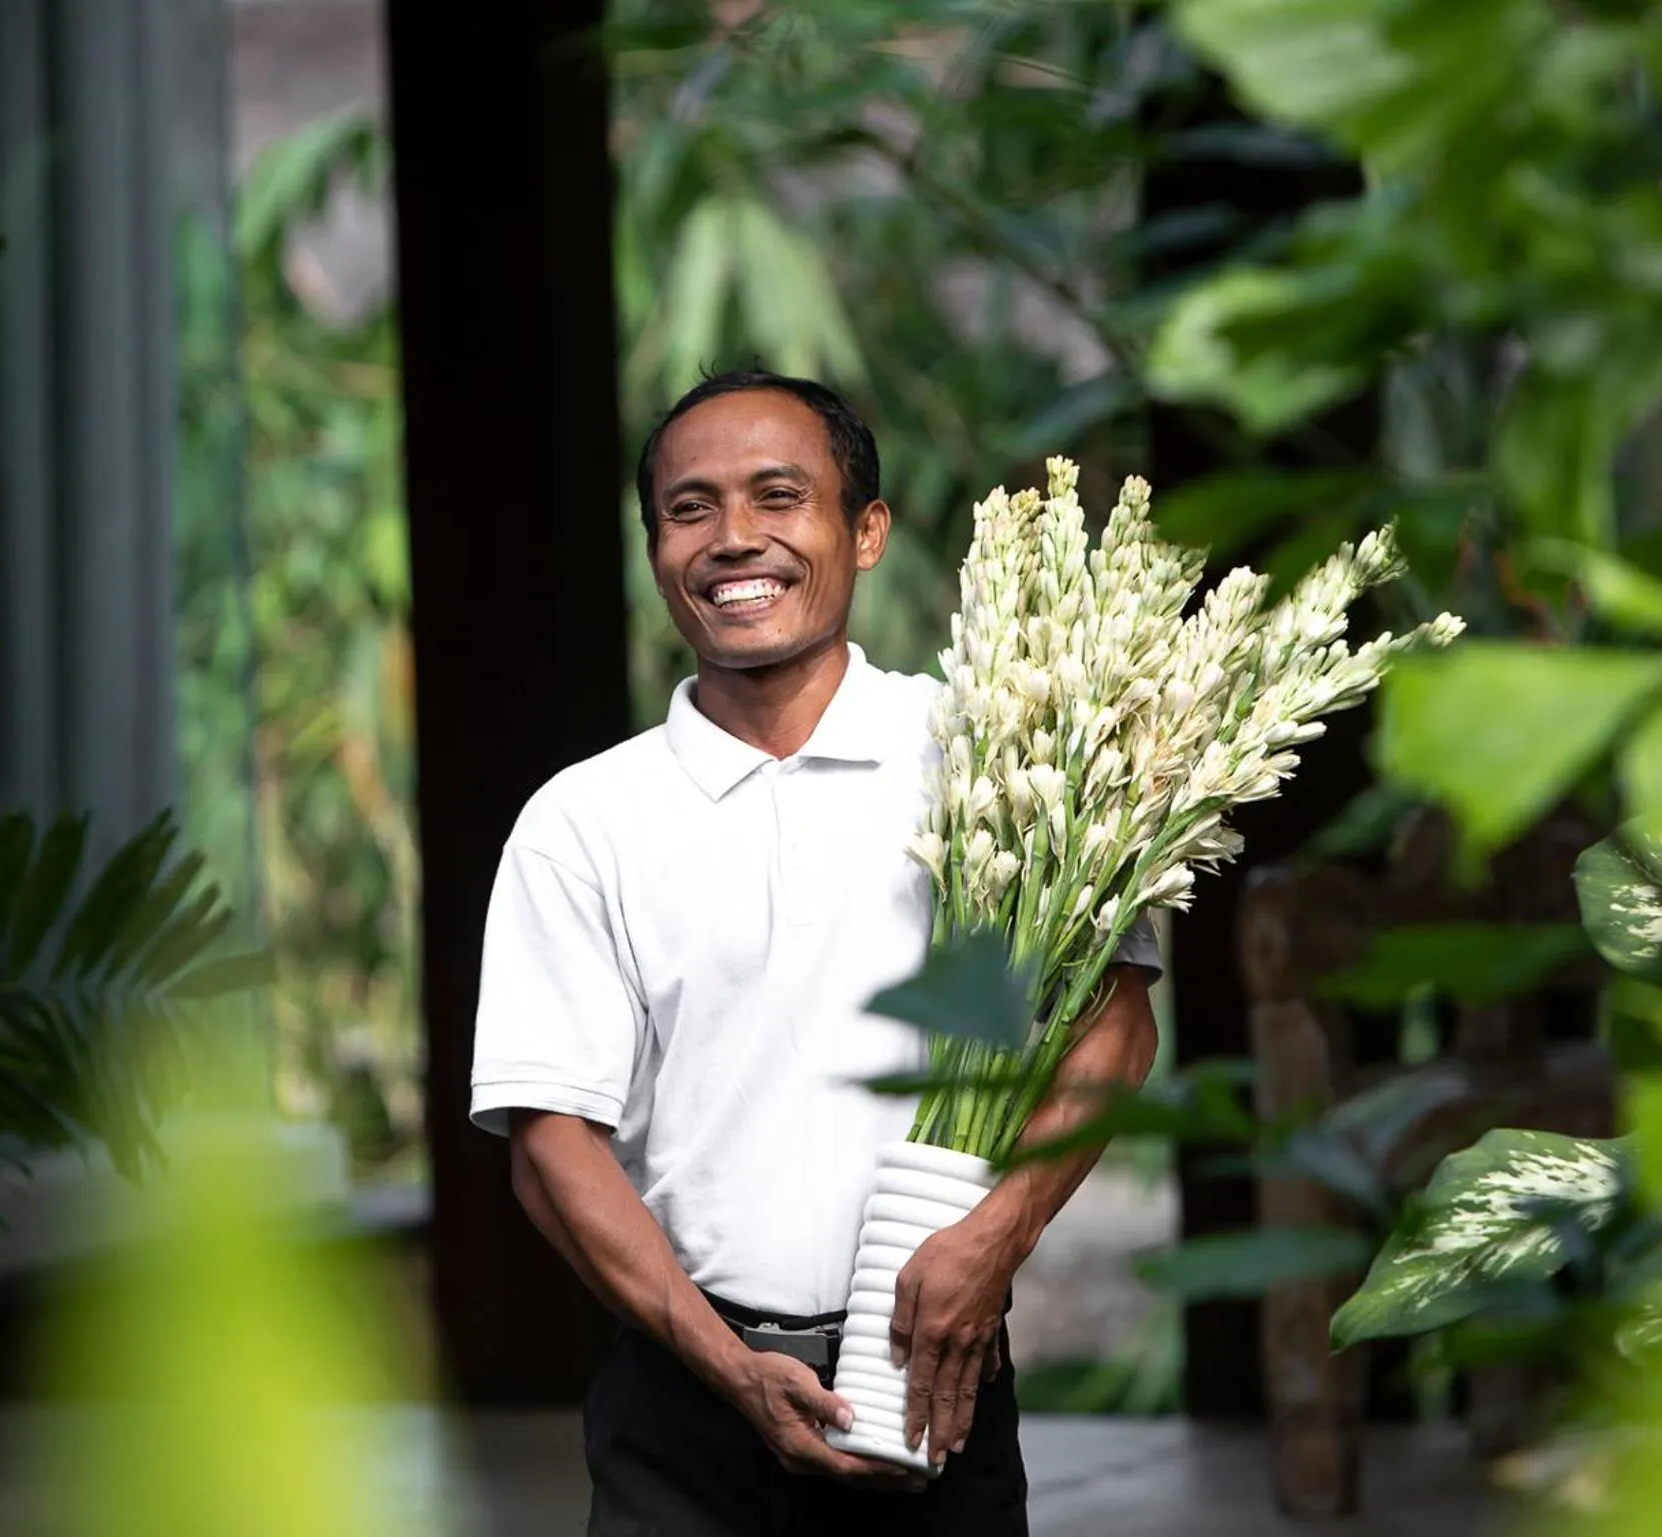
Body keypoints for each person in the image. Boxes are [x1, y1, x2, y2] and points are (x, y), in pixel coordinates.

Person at [470, 370, 1162, 1536]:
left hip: (938, 1379)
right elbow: (549, 1140)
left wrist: (996, 1240)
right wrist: (724, 1362)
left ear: (867, 530)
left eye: (778, 496)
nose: (734, 538)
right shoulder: (584, 819)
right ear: (654, 552)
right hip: (683, 1410)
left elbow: (1116, 1024)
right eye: (689, 510)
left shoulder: (998, 757)